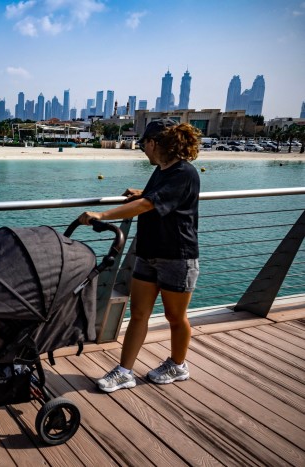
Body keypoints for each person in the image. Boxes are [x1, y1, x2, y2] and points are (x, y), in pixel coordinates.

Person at [78, 119, 201, 393]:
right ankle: (124, 372)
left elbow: (148, 205)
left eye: (143, 143)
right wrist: (141, 192)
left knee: (175, 317)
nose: (142, 149)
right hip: (148, 253)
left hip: (177, 257)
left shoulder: (185, 173)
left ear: (154, 143)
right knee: (138, 314)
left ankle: (178, 365)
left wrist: (102, 215)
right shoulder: (161, 171)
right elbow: (153, 197)